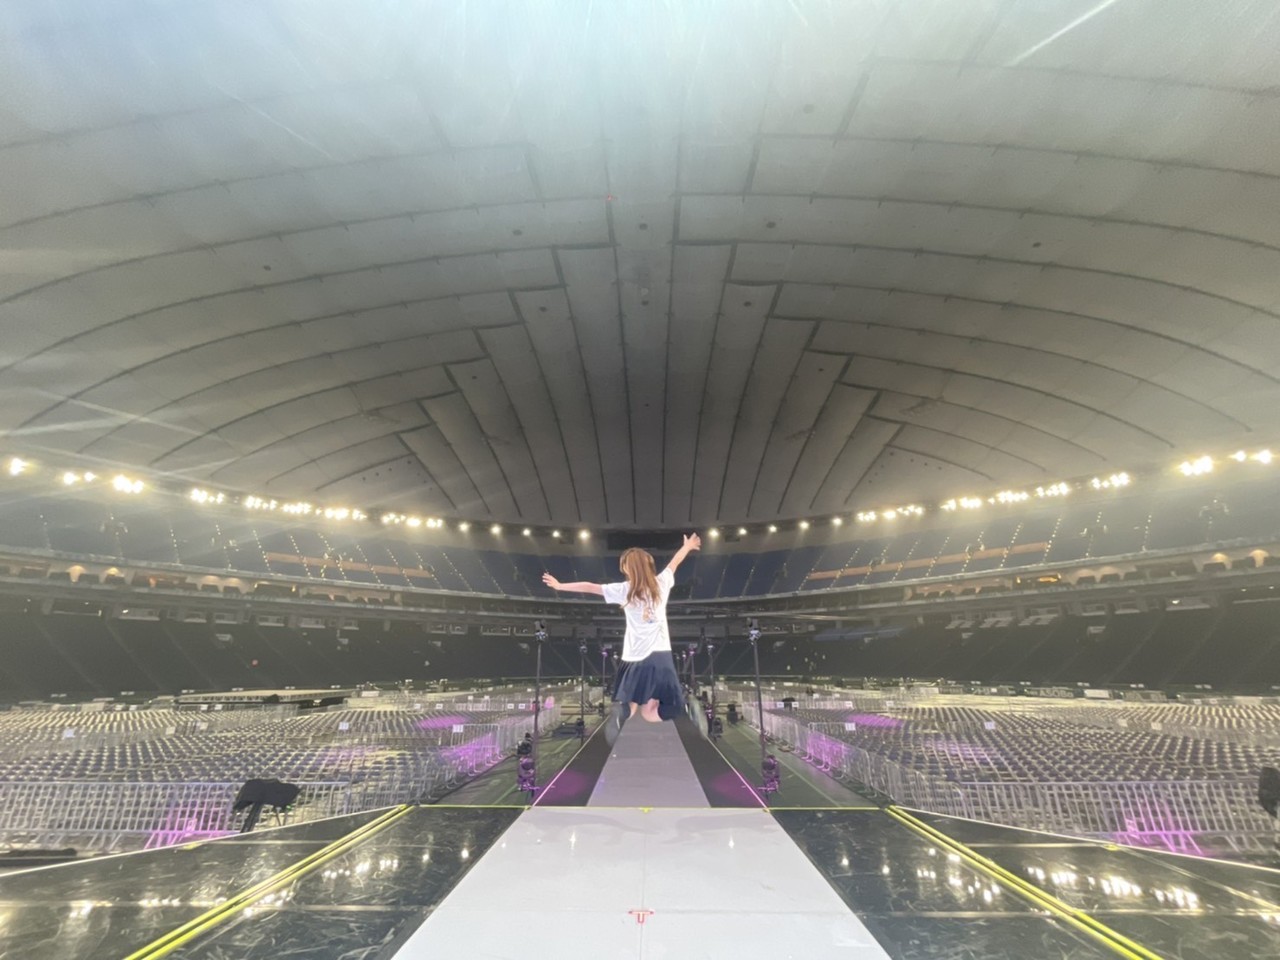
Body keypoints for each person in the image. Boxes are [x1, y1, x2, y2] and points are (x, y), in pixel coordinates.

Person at [542, 534, 701, 743]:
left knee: (632, 705)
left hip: (634, 657)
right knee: (655, 712)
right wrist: (687, 547)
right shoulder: (661, 582)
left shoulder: (624, 589)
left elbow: (589, 586)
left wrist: (560, 586)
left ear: (627, 568)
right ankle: (685, 706)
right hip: (661, 656)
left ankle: (621, 711)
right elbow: (675, 562)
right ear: (649, 565)